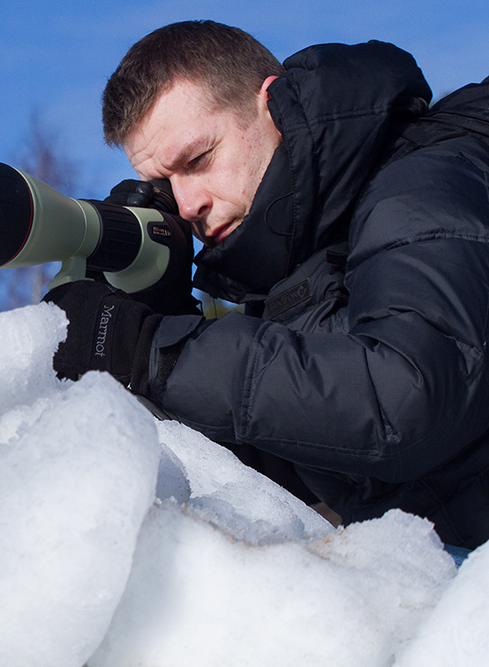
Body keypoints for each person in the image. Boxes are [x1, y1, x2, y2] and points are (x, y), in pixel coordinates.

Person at [45, 21, 489, 551]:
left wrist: (157, 350)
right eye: (167, 186)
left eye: (198, 160)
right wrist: (154, 333)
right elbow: (297, 458)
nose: (188, 206)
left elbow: (407, 403)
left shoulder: (420, 187)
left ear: (272, 104)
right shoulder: (303, 266)